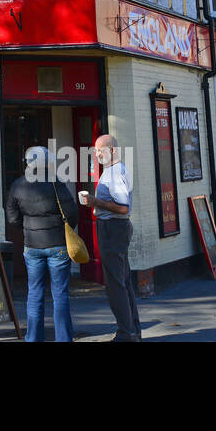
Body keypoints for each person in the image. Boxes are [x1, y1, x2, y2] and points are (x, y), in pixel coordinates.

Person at [5, 145, 78, 342]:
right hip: (58, 245)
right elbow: (71, 214)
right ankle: (63, 338)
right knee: (60, 294)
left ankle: (33, 338)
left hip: (32, 246)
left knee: (34, 292)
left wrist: (29, 228)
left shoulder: (17, 185)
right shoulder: (55, 183)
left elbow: (13, 218)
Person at [79, 134, 140, 341]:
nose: (97, 154)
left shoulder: (115, 173)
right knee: (123, 281)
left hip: (114, 228)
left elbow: (123, 208)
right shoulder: (116, 170)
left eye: (100, 150)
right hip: (116, 229)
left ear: (112, 150)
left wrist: (95, 201)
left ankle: (126, 333)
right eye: (95, 151)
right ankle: (133, 331)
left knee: (116, 284)